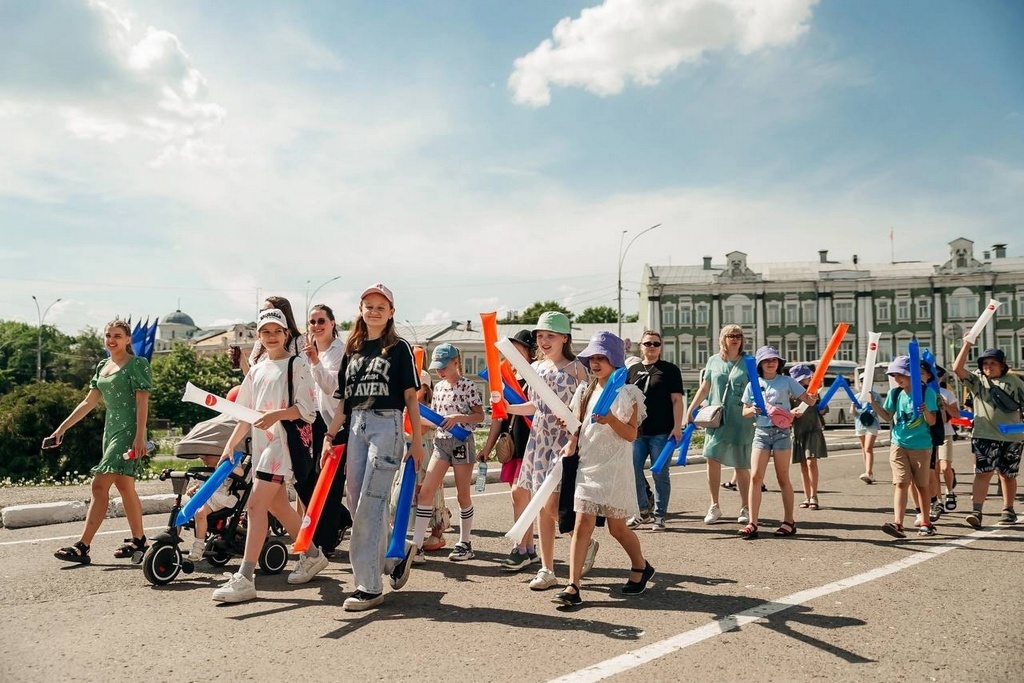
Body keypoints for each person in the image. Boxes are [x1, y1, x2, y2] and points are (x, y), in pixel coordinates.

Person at [322, 283, 425, 611]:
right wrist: (329, 435)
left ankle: (368, 586)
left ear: (391, 312)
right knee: (356, 503)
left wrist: (418, 440)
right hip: (356, 428)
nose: (375, 310)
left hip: (387, 425)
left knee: (370, 503)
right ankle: (395, 555)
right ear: (361, 309)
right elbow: (343, 400)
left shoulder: (398, 348)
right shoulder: (352, 349)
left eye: (382, 306)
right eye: (369, 305)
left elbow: (411, 395)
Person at [211, 308, 324, 602]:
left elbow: (308, 411)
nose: (272, 337)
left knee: (254, 506)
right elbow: (244, 414)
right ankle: (312, 554)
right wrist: (231, 444)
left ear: (286, 333)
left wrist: (276, 414)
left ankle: (246, 577)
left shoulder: (297, 365)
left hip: (282, 446)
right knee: (279, 508)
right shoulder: (258, 369)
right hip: (262, 446)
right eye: (266, 332)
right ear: (259, 336)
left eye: (277, 331)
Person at [552, 332, 655, 607]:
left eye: (601, 357)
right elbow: (578, 425)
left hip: (616, 468)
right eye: (592, 358)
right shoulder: (585, 391)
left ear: (614, 360)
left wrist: (609, 419)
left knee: (617, 529)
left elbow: (631, 435)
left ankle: (641, 566)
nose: (596, 363)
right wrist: (570, 430)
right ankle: (573, 585)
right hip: (588, 465)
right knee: (582, 523)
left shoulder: (629, 393)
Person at [50, 320, 153, 564]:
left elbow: (142, 402)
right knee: (125, 487)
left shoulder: (137, 364)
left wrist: (140, 436)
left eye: (117, 335)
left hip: (128, 431)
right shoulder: (102, 366)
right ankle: (139, 540)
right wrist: (61, 428)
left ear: (128, 339)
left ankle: (83, 546)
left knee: (99, 486)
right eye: (108, 335)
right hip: (111, 431)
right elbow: (88, 402)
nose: (111, 339)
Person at [506, 311, 591, 591]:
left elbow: (586, 408)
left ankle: (584, 538)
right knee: (540, 507)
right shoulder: (537, 369)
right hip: (539, 442)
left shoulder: (578, 370)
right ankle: (547, 569)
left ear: (564, 338)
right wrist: (507, 408)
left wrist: (569, 419)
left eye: (550, 336)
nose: (543, 341)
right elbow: (534, 407)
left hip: (565, 443)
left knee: (550, 505)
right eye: (540, 336)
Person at [410, 343, 484, 562]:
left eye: (444, 366)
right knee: (425, 492)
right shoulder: (439, 387)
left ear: (456, 362)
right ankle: (417, 546)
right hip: (440, 444)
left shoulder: (468, 386)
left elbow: (479, 416)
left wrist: (458, 418)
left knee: (462, 495)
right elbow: (436, 420)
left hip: (462, 442)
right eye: (437, 367)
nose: (440, 370)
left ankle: (465, 543)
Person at [739, 346, 817, 539]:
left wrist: (810, 399)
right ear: (759, 365)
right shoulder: (753, 384)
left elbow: (808, 400)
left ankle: (789, 521)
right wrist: (754, 411)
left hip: (782, 433)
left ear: (779, 363)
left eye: (774, 360)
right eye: (766, 360)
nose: (771, 363)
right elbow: (745, 412)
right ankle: (752, 523)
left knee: (783, 478)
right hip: (762, 433)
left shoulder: (787, 381)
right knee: (756, 477)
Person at [478, 329, 539, 571]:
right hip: (512, 443)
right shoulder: (504, 379)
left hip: (531, 442)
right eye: (510, 347)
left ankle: (520, 548)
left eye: (519, 347)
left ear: (529, 351)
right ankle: (530, 549)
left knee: (518, 494)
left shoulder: (536, 375)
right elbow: (498, 417)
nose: (513, 352)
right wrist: (487, 446)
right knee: (522, 498)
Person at [684, 325, 754, 526]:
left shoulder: (749, 362)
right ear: (723, 338)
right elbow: (705, 387)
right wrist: (692, 408)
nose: (735, 339)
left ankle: (746, 507)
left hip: (741, 419)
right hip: (717, 418)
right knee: (711, 458)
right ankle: (714, 505)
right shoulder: (714, 361)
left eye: (738, 336)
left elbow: (757, 389)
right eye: (731, 335)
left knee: (741, 464)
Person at [297, 303, 352, 556]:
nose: (316, 326)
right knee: (302, 476)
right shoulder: (307, 351)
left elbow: (333, 388)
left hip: (335, 423)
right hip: (311, 421)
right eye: (312, 322)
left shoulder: (341, 352)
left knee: (329, 481)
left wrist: (315, 361)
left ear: (332, 323)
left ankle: (326, 541)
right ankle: (339, 518)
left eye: (321, 321)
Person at [951, 344, 1024, 527]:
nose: (988, 367)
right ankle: (977, 511)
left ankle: (1008, 509)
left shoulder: (1014, 382)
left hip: (1012, 437)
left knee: (1007, 475)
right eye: (985, 363)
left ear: (1002, 365)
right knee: (983, 473)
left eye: (993, 363)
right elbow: (957, 369)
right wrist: (967, 344)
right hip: (984, 435)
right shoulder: (977, 381)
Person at [870, 355, 938, 538]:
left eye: (901, 374)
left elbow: (932, 422)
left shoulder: (927, 393)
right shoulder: (895, 394)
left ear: (912, 375)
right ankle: (898, 523)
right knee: (901, 483)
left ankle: (926, 522)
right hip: (898, 443)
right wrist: (873, 403)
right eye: (894, 375)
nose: (897, 379)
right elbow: (887, 416)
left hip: (921, 446)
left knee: (922, 486)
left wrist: (925, 412)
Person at [626, 330, 684, 531]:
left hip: (662, 431)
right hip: (637, 432)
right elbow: (625, 401)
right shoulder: (632, 370)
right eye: (648, 343)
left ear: (660, 347)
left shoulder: (669, 370)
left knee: (660, 474)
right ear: (640, 346)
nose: (651, 347)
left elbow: (677, 400)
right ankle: (642, 511)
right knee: (633, 471)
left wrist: (677, 427)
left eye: (655, 344)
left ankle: (659, 516)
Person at [183, 453, 243, 562]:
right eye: (202, 459)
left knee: (199, 513)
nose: (204, 461)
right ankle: (172, 539)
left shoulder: (231, 458)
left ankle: (198, 546)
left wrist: (226, 465)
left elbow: (240, 472)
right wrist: (195, 487)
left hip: (218, 498)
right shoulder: (207, 468)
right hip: (204, 495)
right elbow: (205, 482)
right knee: (181, 510)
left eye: (207, 457)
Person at [788, 363, 828, 511]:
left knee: (811, 462)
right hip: (799, 432)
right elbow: (786, 412)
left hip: (813, 430)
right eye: (806, 377)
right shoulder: (791, 394)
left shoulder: (814, 392)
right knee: (803, 465)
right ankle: (807, 496)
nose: (809, 379)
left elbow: (823, 410)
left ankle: (814, 496)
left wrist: (820, 404)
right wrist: (792, 412)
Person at [238, 295, 303, 374]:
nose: (266, 314)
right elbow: (252, 380)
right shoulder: (259, 343)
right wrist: (242, 360)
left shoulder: (299, 342)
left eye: (270, 311)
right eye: (263, 311)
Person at [936, 372, 960, 511]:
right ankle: (938, 500)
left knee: (945, 467)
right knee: (934, 470)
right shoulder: (922, 392)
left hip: (945, 433)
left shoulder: (946, 393)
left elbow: (957, 414)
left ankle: (950, 492)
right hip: (929, 435)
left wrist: (944, 405)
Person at [853, 373, 880, 484]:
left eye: (866, 381)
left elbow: (879, 410)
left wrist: (872, 404)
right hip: (860, 424)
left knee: (868, 448)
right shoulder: (856, 396)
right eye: (862, 381)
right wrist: (853, 406)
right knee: (864, 448)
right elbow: (853, 413)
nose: (864, 383)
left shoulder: (876, 395)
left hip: (872, 424)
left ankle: (868, 472)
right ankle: (869, 472)